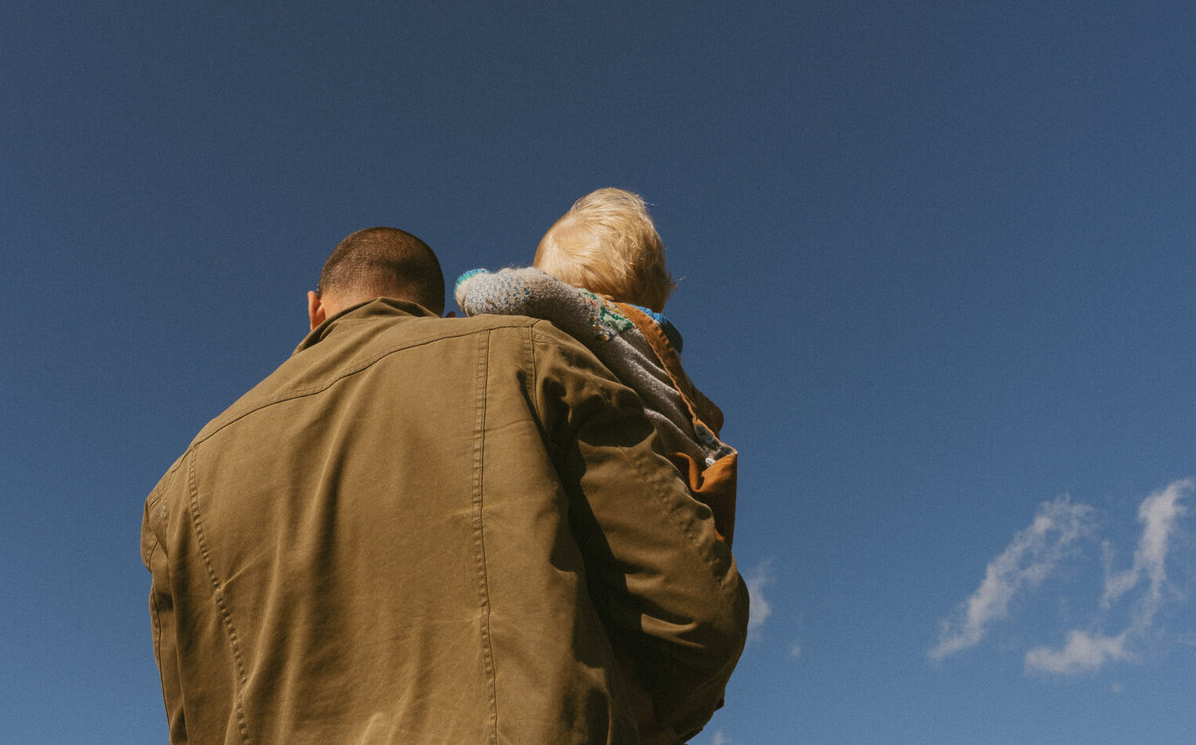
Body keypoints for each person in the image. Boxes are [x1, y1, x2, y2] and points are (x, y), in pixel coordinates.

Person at [141, 226, 747, 744]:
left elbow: (189, 722)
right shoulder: (531, 356)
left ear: (314, 310)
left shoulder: (178, 491)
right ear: (433, 308)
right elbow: (700, 617)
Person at [456, 188, 737, 543]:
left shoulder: (596, 316)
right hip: (680, 496)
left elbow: (517, 294)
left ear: (564, 287)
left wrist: (470, 284)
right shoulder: (657, 347)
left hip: (633, 481)